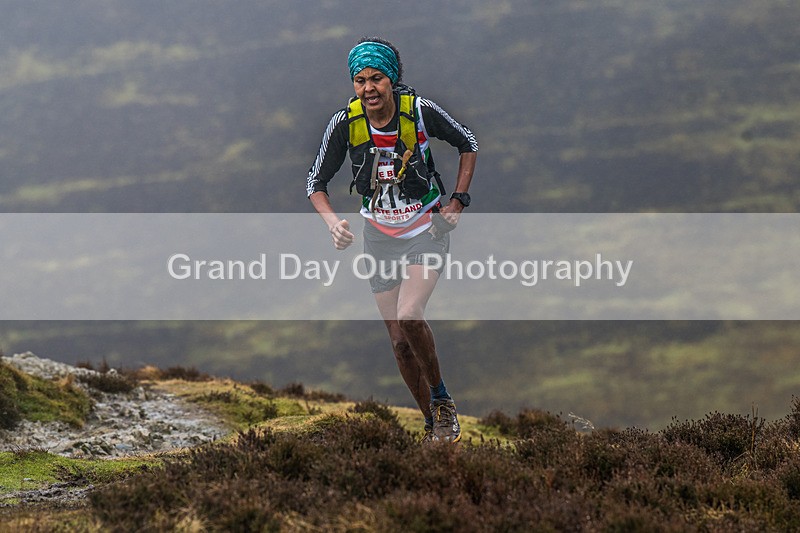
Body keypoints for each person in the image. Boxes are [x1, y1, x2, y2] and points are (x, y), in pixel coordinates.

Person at [306, 37, 478, 443]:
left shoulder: (417, 111)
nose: (368, 88)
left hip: (425, 230)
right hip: (379, 239)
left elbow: (466, 142)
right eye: (360, 80)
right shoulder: (345, 123)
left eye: (377, 79)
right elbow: (316, 182)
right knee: (400, 346)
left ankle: (442, 401)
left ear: (392, 80)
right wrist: (332, 223)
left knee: (410, 314)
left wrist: (457, 202)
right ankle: (434, 426)